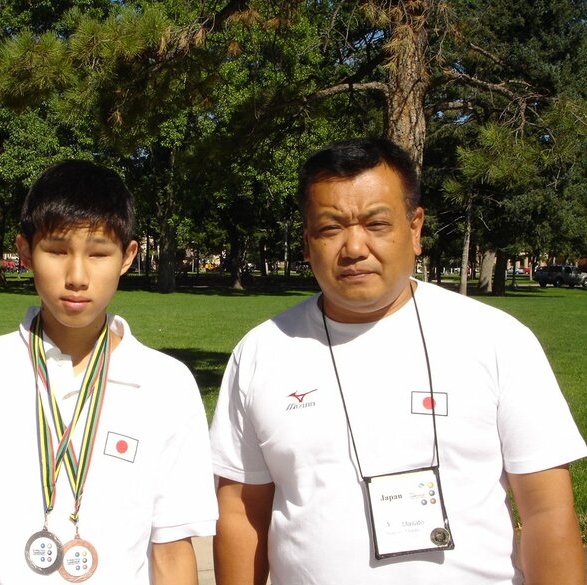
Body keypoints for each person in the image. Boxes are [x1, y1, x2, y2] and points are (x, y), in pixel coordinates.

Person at [210, 137, 586, 585]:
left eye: (376, 223)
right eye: (330, 228)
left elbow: (547, 511)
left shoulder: (496, 340)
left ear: (414, 228)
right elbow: (241, 512)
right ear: (308, 241)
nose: (353, 247)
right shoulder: (262, 352)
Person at [0, 160, 217, 585]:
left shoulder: (166, 385)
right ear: (24, 252)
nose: (77, 277)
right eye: (57, 251)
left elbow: (172, 554)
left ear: (127, 257)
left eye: (98, 253)